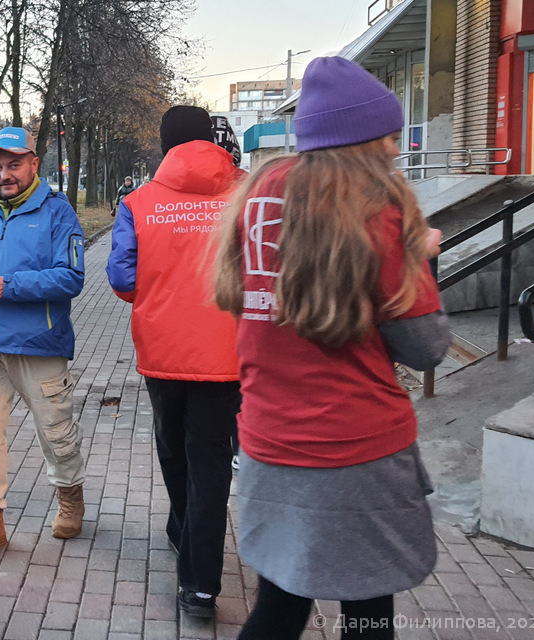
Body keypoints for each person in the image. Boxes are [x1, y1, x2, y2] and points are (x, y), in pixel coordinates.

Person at [213, 57, 450, 640]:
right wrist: (422, 259)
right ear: (362, 141)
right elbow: (426, 348)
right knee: (368, 617)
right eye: (390, 138)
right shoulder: (379, 210)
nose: (396, 151)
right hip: (360, 453)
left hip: (270, 442)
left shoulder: (263, 192)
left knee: (280, 608)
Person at [105, 105, 244, 619]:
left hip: (161, 351)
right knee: (211, 460)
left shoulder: (138, 203)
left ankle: (182, 530)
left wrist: (163, 292)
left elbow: (122, 279)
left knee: (172, 447)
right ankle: (201, 585)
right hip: (228, 354)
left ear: (165, 147)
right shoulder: (246, 196)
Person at [0, 126, 87, 558]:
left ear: (33, 163)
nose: (4, 175)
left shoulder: (58, 212)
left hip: (40, 344)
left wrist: (10, 285)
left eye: (13, 165)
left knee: (55, 432)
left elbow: (72, 277)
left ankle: (69, 496)